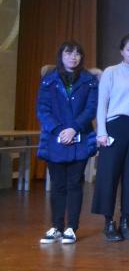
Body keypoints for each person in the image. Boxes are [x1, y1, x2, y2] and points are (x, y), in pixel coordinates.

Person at [36, 40, 98, 245]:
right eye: (69, 53)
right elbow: (42, 109)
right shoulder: (49, 80)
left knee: (75, 184)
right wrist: (59, 130)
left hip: (80, 139)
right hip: (55, 140)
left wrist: (74, 128)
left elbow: (91, 108)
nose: (73, 57)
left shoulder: (89, 80)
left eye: (77, 54)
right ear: (61, 56)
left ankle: (71, 227)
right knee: (58, 185)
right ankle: (56, 226)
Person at [93, 33, 129, 242]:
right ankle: (108, 222)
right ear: (122, 51)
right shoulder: (111, 72)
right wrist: (101, 131)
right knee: (108, 175)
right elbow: (102, 103)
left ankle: (125, 221)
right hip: (114, 127)